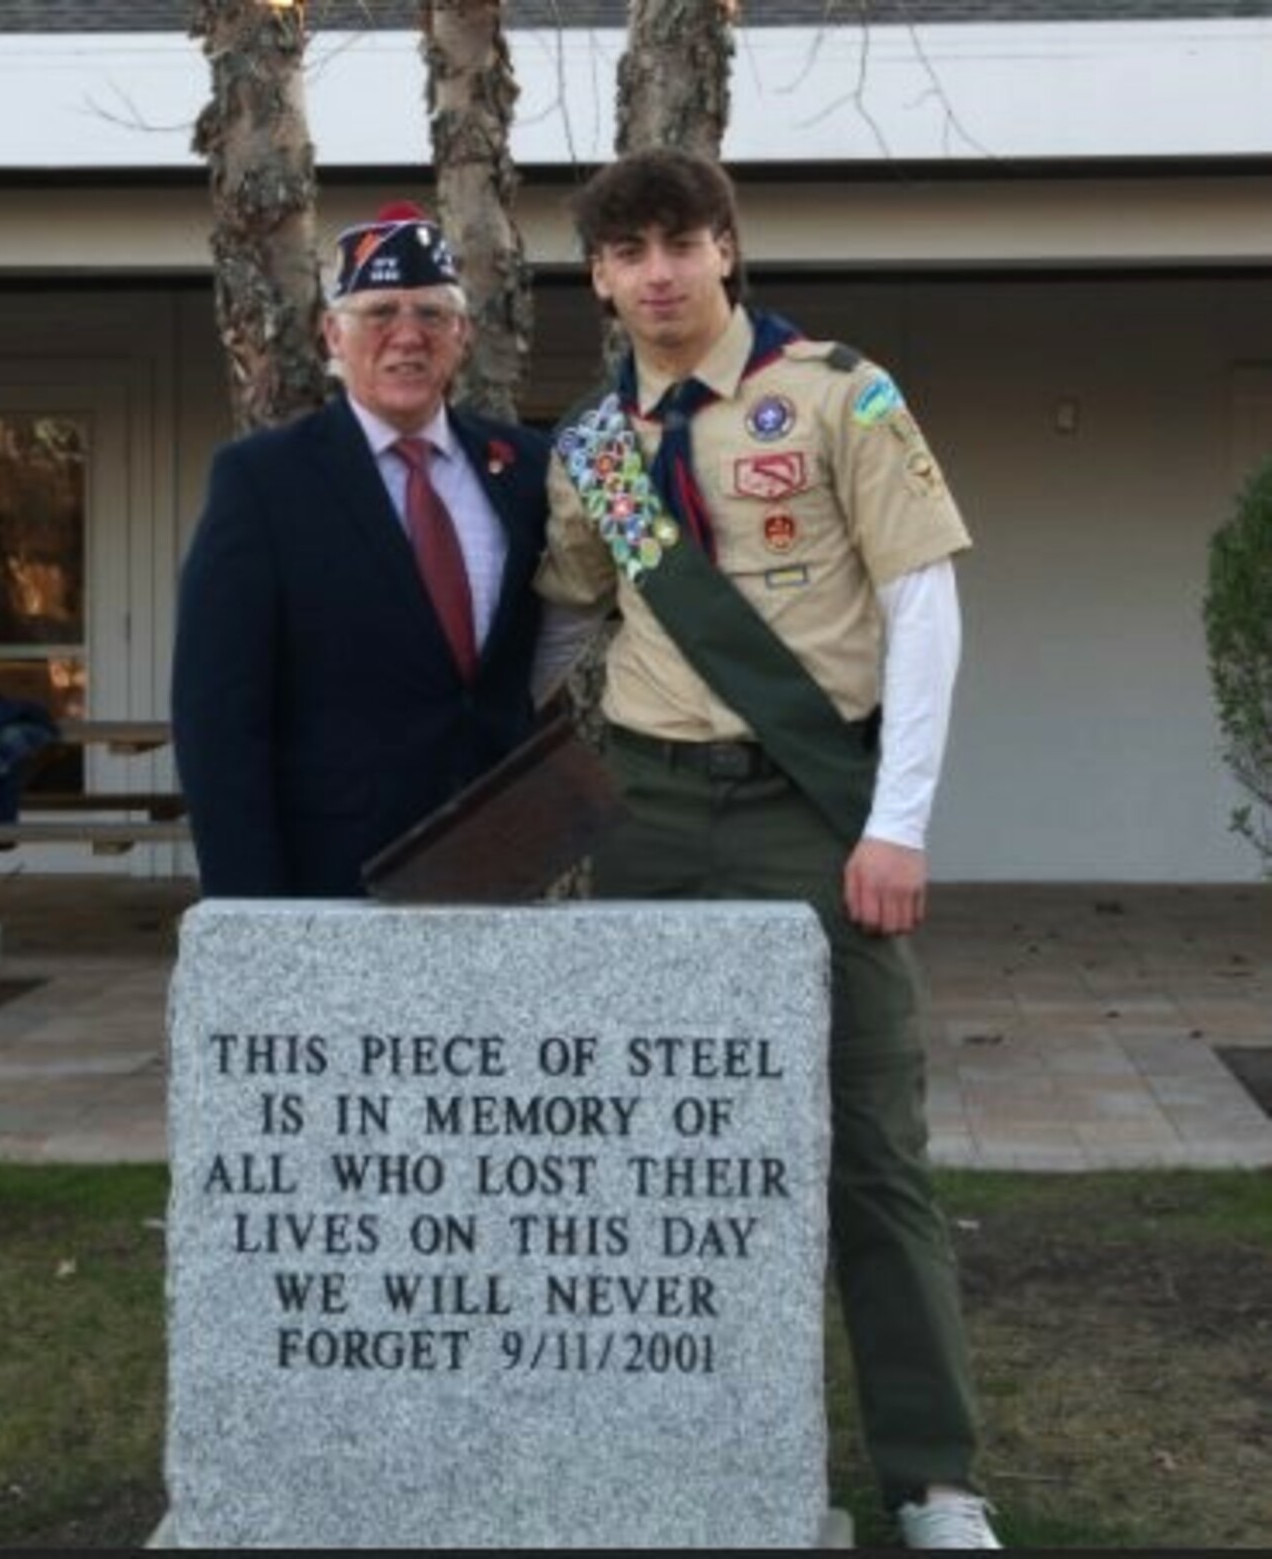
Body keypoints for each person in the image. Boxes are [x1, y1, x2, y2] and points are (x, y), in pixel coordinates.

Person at [533, 150, 1000, 1550]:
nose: (659, 272)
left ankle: (932, 1476)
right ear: (602, 279)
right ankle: (660, 1440)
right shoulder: (599, 447)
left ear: (728, 248)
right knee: (632, 1142)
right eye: (629, 253)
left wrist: (898, 819)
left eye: (683, 241)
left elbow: (925, 607)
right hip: (653, 814)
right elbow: (571, 623)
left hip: (816, 808)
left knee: (870, 1146)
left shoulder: (839, 393)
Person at [172, 203, 551, 897]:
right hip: (334, 877)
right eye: (379, 313)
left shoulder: (525, 469)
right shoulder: (262, 482)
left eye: (432, 314)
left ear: (462, 333)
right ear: (331, 336)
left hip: (498, 870)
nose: (407, 336)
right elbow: (217, 717)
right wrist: (249, 912)